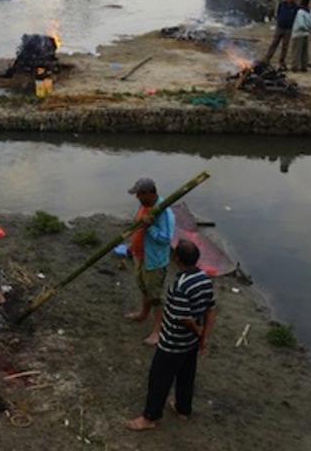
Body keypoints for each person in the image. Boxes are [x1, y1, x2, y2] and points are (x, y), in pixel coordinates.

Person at [125, 240, 216, 432]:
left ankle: (150, 417)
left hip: (173, 343)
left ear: (177, 259)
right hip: (191, 343)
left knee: (159, 378)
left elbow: (185, 319)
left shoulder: (180, 286)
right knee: (186, 375)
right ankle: (183, 410)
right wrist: (203, 338)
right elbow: (210, 310)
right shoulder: (204, 278)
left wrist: (199, 332)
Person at [124, 178, 176, 346]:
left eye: (139, 194)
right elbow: (137, 225)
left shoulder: (164, 212)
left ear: (148, 193)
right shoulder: (143, 205)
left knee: (156, 296)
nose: (137, 197)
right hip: (140, 256)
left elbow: (166, 238)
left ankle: (157, 331)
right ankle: (142, 314)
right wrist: (132, 246)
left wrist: (150, 228)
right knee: (144, 288)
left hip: (154, 261)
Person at [263, 0, 297, 69]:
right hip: (280, 27)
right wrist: (279, 20)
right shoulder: (282, 4)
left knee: (285, 46)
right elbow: (278, 13)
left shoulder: (295, 7)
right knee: (274, 43)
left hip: (288, 29)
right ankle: (267, 58)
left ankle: (281, 61)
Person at [290, 0, 311, 72]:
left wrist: (306, 29)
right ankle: (303, 66)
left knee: (296, 51)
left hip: (298, 34)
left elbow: (301, 24)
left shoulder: (300, 12)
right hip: (306, 34)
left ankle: (295, 66)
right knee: (304, 52)